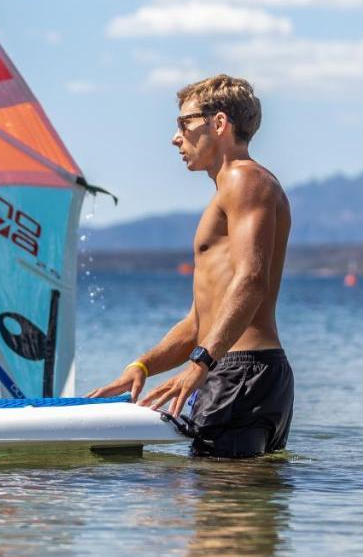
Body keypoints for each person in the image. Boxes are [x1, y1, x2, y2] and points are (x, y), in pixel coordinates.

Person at [88, 74, 294, 457]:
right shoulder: (231, 190)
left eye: (185, 123)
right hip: (238, 369)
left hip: (239, 370)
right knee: (223, 506)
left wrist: (201, 363)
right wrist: (143, 366)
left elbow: (251, 280)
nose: (175, 137)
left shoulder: (245, 180)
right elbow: (200, 322)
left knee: (220, 503)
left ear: (219, 123)